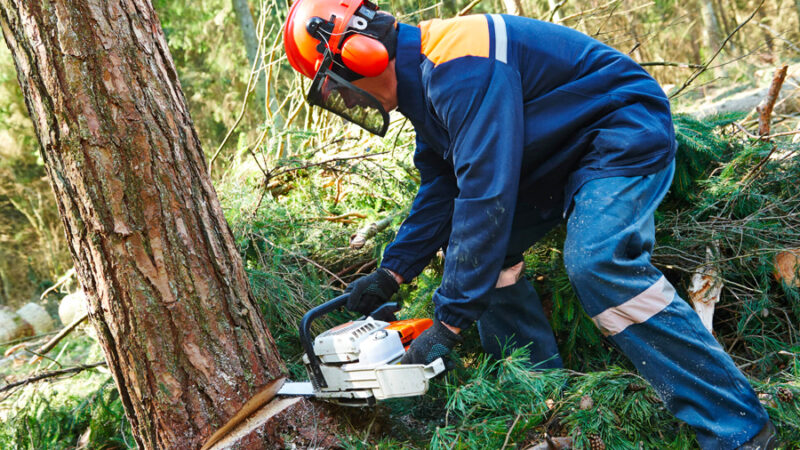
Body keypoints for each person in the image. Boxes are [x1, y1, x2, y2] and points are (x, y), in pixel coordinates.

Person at [282, 1, 777, 448]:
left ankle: (737, 425)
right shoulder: (425, 84)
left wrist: (448, 323)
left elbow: (485, 194)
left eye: (334, 82)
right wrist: (392, 273)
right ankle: (543, 399)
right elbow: (442, 189)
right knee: (485, 255)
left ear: (361, 55)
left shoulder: (459, 65)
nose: (341, 98)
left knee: (598, 262)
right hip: (552, 156)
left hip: (619, 131)